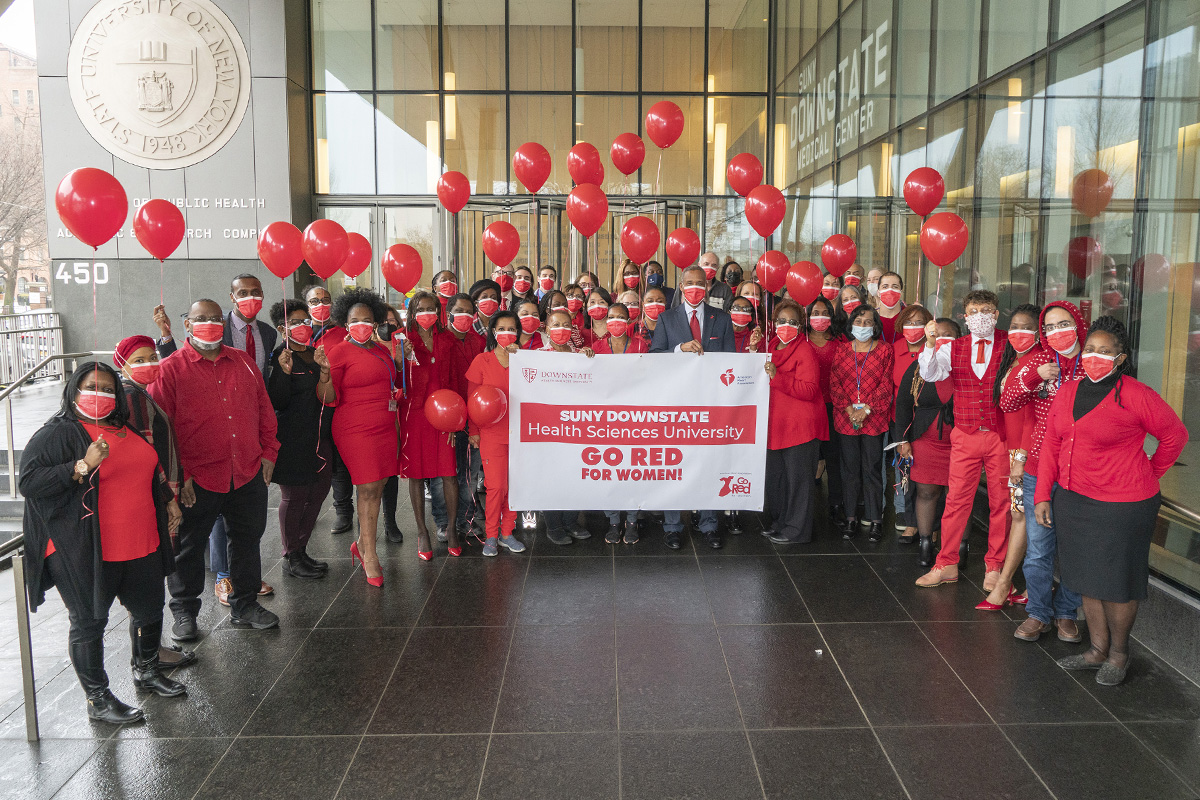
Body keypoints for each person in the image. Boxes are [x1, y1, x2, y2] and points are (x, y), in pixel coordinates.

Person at [20, 363, 185, 724]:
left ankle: (146, 670)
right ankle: (98, 699)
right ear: (74, 390)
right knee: (89, 621)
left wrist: (167, 498)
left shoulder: (122, 428)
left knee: (149, 609)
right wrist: (80, 466)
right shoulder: (57, 433)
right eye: (93, 386)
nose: (102, 394)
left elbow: (143, 470)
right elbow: (29, 482)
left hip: (140, 541)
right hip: (85, 548)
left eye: (109, 389)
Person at [1037, 316, 1188, 686]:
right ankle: (1096, 650)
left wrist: (1150, 473)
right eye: (1090, 350)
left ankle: (1119, 655)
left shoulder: (1136, 394)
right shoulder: (1068, 391)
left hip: (1123, 505)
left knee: (1117, 583)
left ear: (1120, 359)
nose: (1094, 357)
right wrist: (1043, 494)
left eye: (1105, 352)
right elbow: (1052, 445)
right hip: (1074, 501)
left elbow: (1175, 436)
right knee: (1087, 578)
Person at [150, 300, 279, 638]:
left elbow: (264, 409)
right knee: (190, 547)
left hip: (247, 471)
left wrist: (269, 452)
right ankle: (184, 612)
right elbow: (163, 429)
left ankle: (245, 603)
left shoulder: (244, 362)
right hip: (198, 478)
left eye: (215, 318)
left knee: (248, 541)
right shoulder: (170, 369)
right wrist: (182, 477)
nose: (210, 324)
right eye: (200, 319)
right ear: (187, 325)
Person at [1000, 301, 1090, 642]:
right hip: (1040, 467)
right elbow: (1007, 402)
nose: (1056, 332)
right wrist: (1032, 377)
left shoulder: (1094, 361)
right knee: (1039, 549)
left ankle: (1066, 611)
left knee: (1075, 549)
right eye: (1049, 327)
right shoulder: (1038, 360)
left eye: (1063, 324)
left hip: (1082, 471)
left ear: (1078, 324)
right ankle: (1038, 612)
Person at [914, 290, 1011, 590]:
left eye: (986, 310)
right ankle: (946, 563)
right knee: (956, 500)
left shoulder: (1010, 344)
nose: (980, 315)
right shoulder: (954, 347)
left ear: (995, 314)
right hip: (966, 433)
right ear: (965, 316)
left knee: (1001, 502)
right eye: (973, 310)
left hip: (1000, 434)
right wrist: (930, 342)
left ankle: (995, 566)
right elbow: (929, 373)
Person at [113, 336, 195, 669]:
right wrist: (167, 498)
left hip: (154, 496)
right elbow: (147, 455)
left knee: (149, 578)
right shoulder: (133, 398)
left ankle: (152, 649)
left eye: (152, 357)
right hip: (151, 500)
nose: (150, 364)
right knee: (147, 580)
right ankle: (150, 653)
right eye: (140, 359)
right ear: (123, 364)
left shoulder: (137, 394)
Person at [319, 289, 408, 587]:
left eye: (367, 320)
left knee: (379, 485)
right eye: (355, 320)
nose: (362, 324)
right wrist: (324, 376)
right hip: (354, 428)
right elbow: (328, 398)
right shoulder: (338, 352)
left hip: (385, 425)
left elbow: (391, 382)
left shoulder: (381, 349)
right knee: (368, 485)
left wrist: (400, 362)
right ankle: (369, 553)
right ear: (344, 322)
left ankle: (361, 541)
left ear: (376, 322)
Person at [649, 265, 735, 550]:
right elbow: (655, 358)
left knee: (707, 464)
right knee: (674, 464)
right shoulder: (666, 318)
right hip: (676, 405)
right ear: (682, 286)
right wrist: (678, 350)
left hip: (710, 404)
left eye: (701, 283)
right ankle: (673, 525)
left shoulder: (721, 319)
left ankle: (709, 523)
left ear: (707, 287)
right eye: (690, 283)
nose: (695, 287)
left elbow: (730, 362)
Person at [975, 304, 1041, 610]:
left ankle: (1006, 583)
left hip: (1025, 452)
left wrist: (1021, 457)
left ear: (1039, 332)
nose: (1018, 333)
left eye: (1027, 327)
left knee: (1021, 516)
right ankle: (1019, 585)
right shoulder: (1012, 359)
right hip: (1011, 447)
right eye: (1014, 326)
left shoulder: (1039, 363)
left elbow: (1034, 417)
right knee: (1018, 515)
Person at [267, 300, 333, 581]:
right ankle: (290, 554)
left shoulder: (316, 354)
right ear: (283, 328)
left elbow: (327, 398)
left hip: (319, 435)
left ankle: (301, 548)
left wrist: (325, 372)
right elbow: (277, 401)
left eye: (305, 320)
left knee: (318, 492)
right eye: (296, 322)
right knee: (294, 498)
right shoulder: (280, 357)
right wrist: (282, 372)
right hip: (291, 438)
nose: (304, 325)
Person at [400, 291, 463, 560]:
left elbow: (454, 379)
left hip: (444, 414)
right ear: (412, 312)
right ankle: (421, 531)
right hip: (414, 414)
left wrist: (454, 420)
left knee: (448, 472)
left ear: (439, 312)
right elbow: (395, 380)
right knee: (416, 474)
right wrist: (401, 358)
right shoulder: (402, 340)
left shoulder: (447, 338)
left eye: (432, 308)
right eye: (421, 308)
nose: (427, 313)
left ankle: (451, 529)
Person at [763, 301, 828, 544]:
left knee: (799, 482)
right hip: (777, 425)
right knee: (778, 480)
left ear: (801, 326)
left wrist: (778, 377)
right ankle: (780, 522)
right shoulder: (772, 345)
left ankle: (797, 530)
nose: (786, 326)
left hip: (801, 427)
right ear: (774, 322)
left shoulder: (805, 351)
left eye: (792, 322)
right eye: (782, 321)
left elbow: (809, 390)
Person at [465, 311, 529, 557]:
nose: (507, 333)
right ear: (493, 332)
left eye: (512, 328)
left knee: (514, 486)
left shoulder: (525, 360)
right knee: (496, 487)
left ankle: (507, 533)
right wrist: (474, 431)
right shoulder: (482, 361)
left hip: (522, 432)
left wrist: (521, 358)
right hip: (492, 434)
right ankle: (491, 535)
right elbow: (473, 400)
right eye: (501, 328)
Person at [829, 304, 895, 541]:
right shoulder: (842, 351)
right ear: (851, 324)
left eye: (868, 322)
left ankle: (876, 519)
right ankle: (850, 519)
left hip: (874, 418)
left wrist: (866, 409)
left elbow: (887, 384)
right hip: (846, 418)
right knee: (849, 471)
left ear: (876, 326)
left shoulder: (885, 351)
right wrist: (850, 409)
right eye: (858, 321)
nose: (863, 326)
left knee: (872, 469)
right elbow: (835, 383)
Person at [428, 293, 486, 541]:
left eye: (468, 311)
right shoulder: (440, 341)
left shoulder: (479, 341)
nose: (464, 316)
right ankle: (443, 522)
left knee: (469, 475)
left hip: (474, 417)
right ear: (448, 313)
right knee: (443, 476)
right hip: (444, 416)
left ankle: (467, 520)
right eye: (458, 311)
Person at [592, 302, 646, 544]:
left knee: (633, 470)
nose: (616, 321)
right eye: (611, 317)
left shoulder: (640, 345)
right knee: (610, 471)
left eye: (621, 317)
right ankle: (613, 520)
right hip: (606, 418)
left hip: (634, 416)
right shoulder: (596, 347)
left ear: (629, 320)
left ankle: (632, 520)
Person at [890, 305, 936, 544]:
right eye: (909, 321)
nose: (914, 327)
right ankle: (910, 523)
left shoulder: (937, 349)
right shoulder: (894, 349)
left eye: (920, 322)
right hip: (903, 420)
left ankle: (933, 525)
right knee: (906, 472)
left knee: (931, 478)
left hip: (931, 422)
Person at [807, 296, 845, 526]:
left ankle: (836, 505)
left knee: (834, 458)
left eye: (824, 312)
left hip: (834, 406)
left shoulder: (840, 342)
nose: (819, 317)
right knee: (809, 459)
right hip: (808, 406)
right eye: (815, 313)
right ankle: (805, 508)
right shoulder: (800, 341)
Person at [378, 304, 407, 545]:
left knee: (391, 472)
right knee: (370, 477)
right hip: (375, 417)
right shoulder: (371, 348)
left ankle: (391, 522)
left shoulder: (404, 345)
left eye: (393, 321)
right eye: (383, 322)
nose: (389, 326)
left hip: (398, 416)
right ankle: (364, 526)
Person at [876, 271, 905, 344]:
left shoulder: (909, 316)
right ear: (878, 293)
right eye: (885, 286)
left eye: (895, 287)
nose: (890, 290)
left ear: (900, 292)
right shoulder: (870, 317)